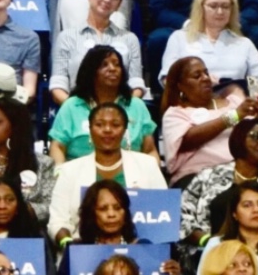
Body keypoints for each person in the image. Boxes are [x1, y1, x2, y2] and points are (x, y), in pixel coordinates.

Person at [179, 118, 258, 266]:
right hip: (210, 256)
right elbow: (181, 215)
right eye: (256, 136)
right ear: (239, 139)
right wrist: (209, 242)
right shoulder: (209, 176)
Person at [48, 102, 168, 242]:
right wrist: (69, 245)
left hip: (142, 252)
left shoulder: (147, 165)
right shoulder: (69, 170)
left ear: (125, 130)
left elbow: (164, 217)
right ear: (90, 129)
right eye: (99, 124)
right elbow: (57, 221)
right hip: (83, 253)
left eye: (115, 125)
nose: (107, 130)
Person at [161, 56, 258, 188]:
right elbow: (187, 140)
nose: (206, 78)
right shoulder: (176, 113)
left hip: (243, 174)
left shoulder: (235, 102)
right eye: (197, 76)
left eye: (206, 73)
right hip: (197, 177)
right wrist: (234, 116)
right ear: (181, 86)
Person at [159, 0, 258, 93]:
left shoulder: (244, 44)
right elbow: (167, 80)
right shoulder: (179, 38)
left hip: (234, 106)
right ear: (201, 7)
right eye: (213, 6)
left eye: (225, 6)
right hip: (191, 106)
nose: (220, 12)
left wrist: (231, 84)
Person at [49, 44, 155, 163]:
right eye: (104, 64)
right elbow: (57, 147)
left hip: (131, 177)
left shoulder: (136, 105)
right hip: (79, 177)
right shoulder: (71, 106)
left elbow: (150, 150)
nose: (112, 68)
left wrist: (151, 176)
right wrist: (61, 175)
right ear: (91, 71)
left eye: (117, 64)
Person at [49, 0, 144, 103]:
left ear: (119, 4)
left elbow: (136, 84)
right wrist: (76, 110)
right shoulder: (66, 37)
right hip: (77, 109)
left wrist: (119, 111)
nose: (107, 0)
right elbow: (58, 85)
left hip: (120, 113)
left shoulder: (130, 39)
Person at [0, 98, 54, 224]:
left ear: (15, 127)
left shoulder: (43, 164)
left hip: (25, 233)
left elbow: (51, 206)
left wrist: (19, 210)